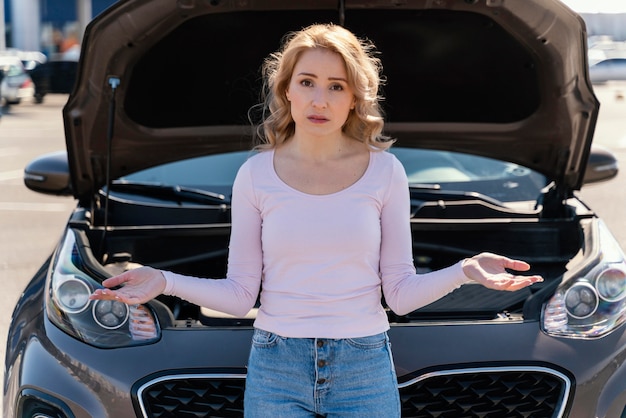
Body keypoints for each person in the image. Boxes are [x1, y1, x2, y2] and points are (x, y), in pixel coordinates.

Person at [90, 23, 543, 417]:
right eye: (307, 82)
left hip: (364, 365)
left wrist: (464, 271)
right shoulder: (256, 175)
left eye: (336, 86)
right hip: (275, 365)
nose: (319, 99)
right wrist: (162, 281)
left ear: (354, 99)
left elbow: (401, 295)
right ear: (287, 89)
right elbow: (239, 294)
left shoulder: (385, 171)